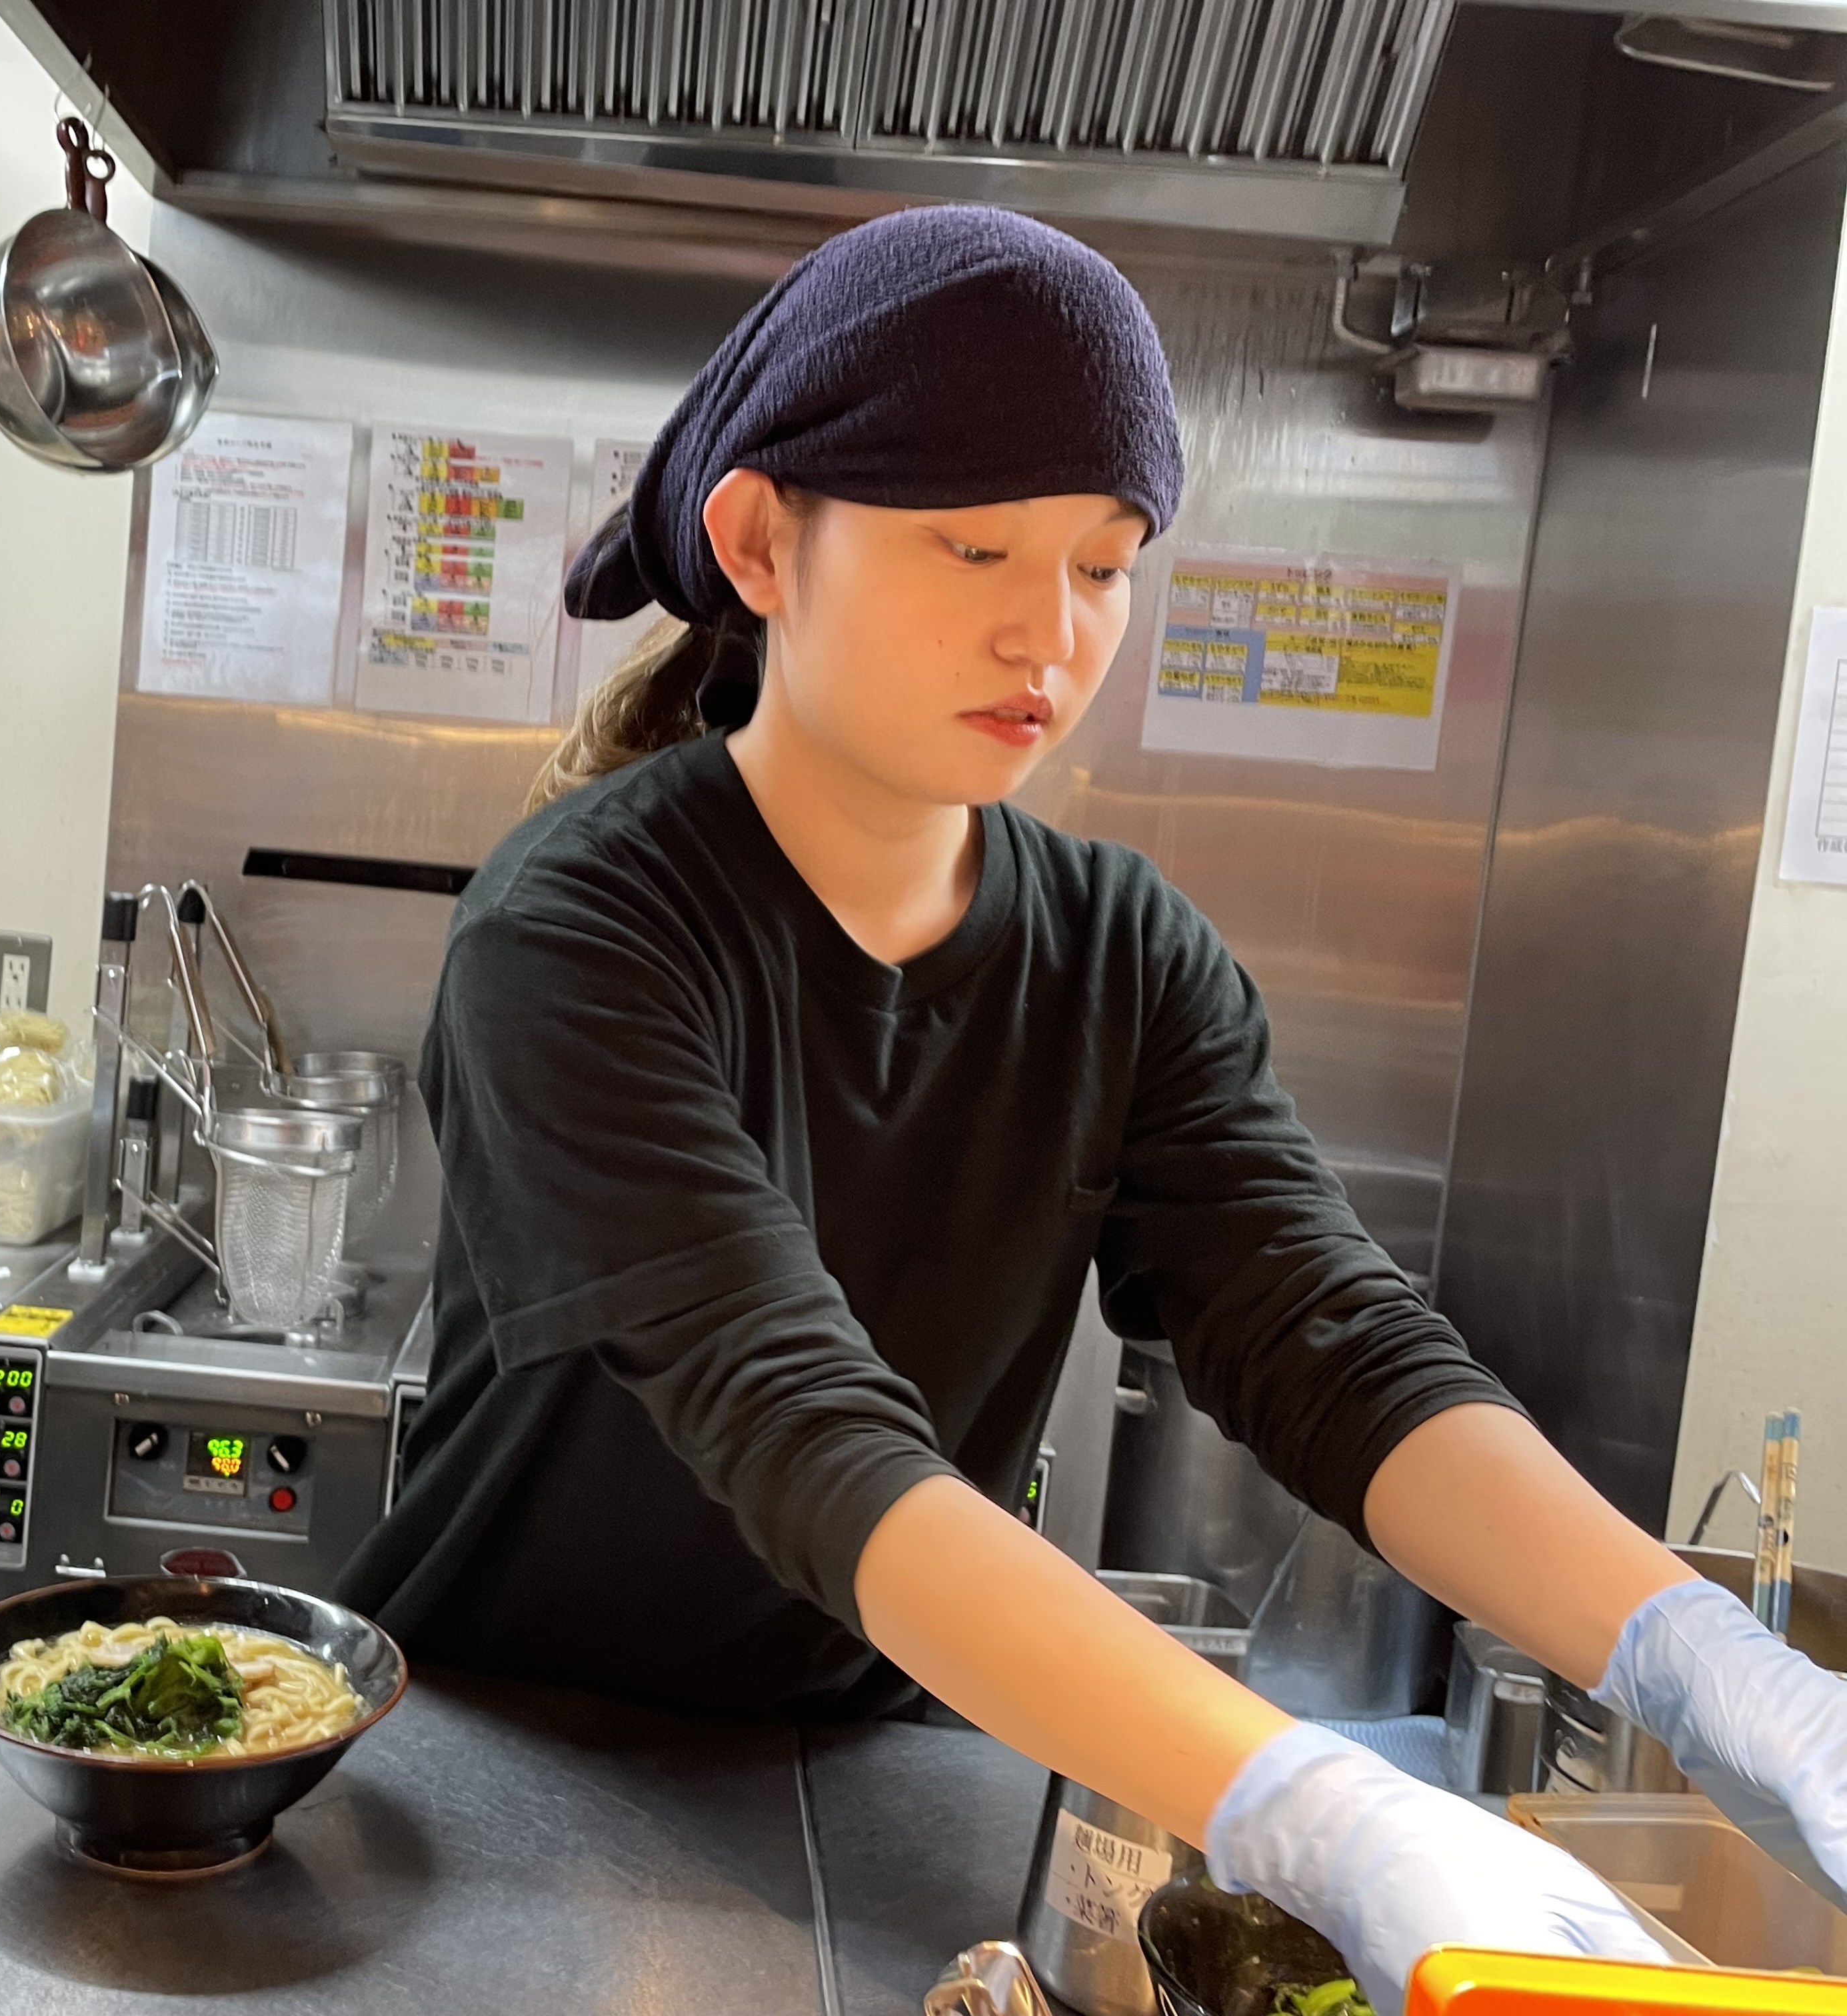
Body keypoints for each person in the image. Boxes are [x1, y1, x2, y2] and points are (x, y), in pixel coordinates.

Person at [336, 205, 1847, 2010]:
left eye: (1106, 561)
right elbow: (796, 1419)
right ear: (759, 539)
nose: (1048, 633)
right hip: (488, 1771)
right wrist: (1314, 1802)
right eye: (976, 544)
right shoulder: (580, 928)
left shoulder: (1125, 955)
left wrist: (1712, 1667)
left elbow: (1332, 1342)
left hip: (871, 1773)